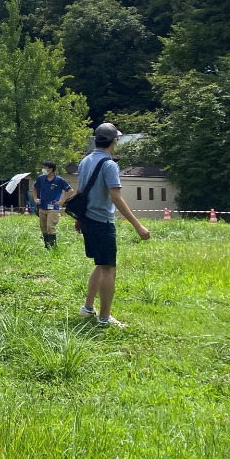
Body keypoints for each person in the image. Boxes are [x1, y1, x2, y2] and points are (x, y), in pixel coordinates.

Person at [74, 123, 151, 328]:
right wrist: (138, 226)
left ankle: (88, 308)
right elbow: (116, 197)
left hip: (88, 219)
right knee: (109, 268)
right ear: (114, 140)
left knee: (101, 264)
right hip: (102, 221)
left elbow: (81, 192)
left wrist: (79, 218)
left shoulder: (85, 161)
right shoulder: (109, 165)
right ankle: (104, 318)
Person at [33, 160, 74, 249]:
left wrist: (62, 201)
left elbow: (70, 191)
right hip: (42, 207)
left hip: (53, 208)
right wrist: (35, 198)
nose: (43, 169)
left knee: (50, 227)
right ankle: (47, 247)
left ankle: (53, 248)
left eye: (44, 168)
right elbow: (34, 187)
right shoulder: (41, 178)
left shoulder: (59, 180)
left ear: (51, 169)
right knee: (43, 228)